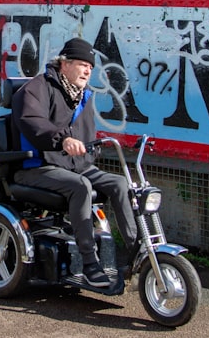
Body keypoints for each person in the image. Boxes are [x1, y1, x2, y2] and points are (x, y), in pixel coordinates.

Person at [10, 37, 138, 288]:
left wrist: (91, 151)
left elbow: (86, 137)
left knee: (120, 183)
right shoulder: (37, 88)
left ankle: (137, 255)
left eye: (90, 67)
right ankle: (89, 264)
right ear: (64, 64)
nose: (88, 70)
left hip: (74, 166)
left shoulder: (82, 95)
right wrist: (62, 140)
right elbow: (32, 121)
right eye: (82, 64)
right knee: (80, 186)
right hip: (37, 165)